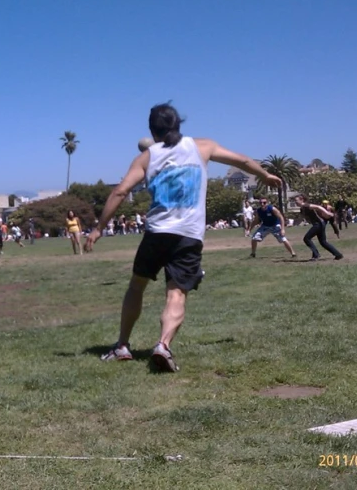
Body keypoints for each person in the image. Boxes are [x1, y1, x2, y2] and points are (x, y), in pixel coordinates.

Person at [84, 102, 282, 372]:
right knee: (176, 294)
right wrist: (265, 175)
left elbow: (119, 192)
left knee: (136, 286)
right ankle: (163, 345)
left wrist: (98, 229)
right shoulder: (203, 146)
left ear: (153, 131)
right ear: (178, 124)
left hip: (157, 233)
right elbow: (243, 161)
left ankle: (122, 346)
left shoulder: (146, 157)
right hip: (188, 235)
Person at [295, 195, 343, 260]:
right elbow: (300, 218)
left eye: (296, 200)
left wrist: (327, 213)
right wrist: (292, 224)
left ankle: (316, 255)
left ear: (302, 200)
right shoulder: (302, 209)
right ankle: (338, 255)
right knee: (323, 242)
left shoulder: (306, 205)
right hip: (319, 224)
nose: (295, 202)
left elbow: (318, 207)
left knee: (307, 238)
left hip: (318, 224)